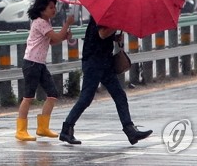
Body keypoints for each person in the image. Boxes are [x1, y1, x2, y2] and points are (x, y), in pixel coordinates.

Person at [59, 16, 153, 145]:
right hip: (93, 62)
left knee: (119, 95)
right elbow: (102, 34)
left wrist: (115, 37)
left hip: (105, 61)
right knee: (86, 98)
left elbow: (104, 36)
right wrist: (118, 24)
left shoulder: (111, 14)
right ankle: (66, 129)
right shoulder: (102, 15)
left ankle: (130, 130)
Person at [15, 0, 75, 141]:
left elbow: (53, 41)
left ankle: (43, 127)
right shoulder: (40, 22)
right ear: (42, 9)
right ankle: (21, 130)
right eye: (51, 7)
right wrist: (67, 25)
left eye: (55, 7)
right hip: (32, 63)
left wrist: (65, 36)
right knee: (28, 97)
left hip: (39, 63)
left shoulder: (46, 22)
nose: (54, 10)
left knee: (52, 94)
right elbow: (56, 36)